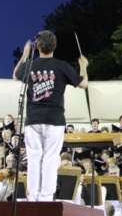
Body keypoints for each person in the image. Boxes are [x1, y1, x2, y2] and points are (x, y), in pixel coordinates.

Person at [13, 30, 88, 202]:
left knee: (33, 158)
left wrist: (25, 55)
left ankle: (33, 196)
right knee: (50, 158)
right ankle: (46, 196)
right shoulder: (62, 66)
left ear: (37, 47)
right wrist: (83, 65)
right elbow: (83, 83)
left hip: (33, 119)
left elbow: (15, 76)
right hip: (54, 119)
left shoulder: (30, 65)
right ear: (54, 46)